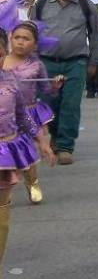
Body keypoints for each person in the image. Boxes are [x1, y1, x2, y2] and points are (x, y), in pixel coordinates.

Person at [33, 0, 98, 165]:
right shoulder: (42, 3)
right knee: (48, 104)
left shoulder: (85, 4)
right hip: (46, 62)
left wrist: (94, 61)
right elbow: (32, 32)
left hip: (76, 63)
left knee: (70, 105)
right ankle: (54, 138)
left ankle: (65, 146)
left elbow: (97, 34)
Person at [0, 28, 54, 279]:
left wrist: (43, 142)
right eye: (17, 38)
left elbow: (24, 118)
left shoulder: (12, 83)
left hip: (6, 150)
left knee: (1, 212)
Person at [1, 19, 62, 204]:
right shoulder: (4, 61)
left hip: (28, 111)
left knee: (28, 151)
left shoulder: (37, 65)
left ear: (35, 44)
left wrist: (54, 86)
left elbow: (47, 91)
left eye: (26, 38)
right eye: (17, 37)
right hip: (7, 115)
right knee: (9, 154)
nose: (20, 42)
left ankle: (32, 181)